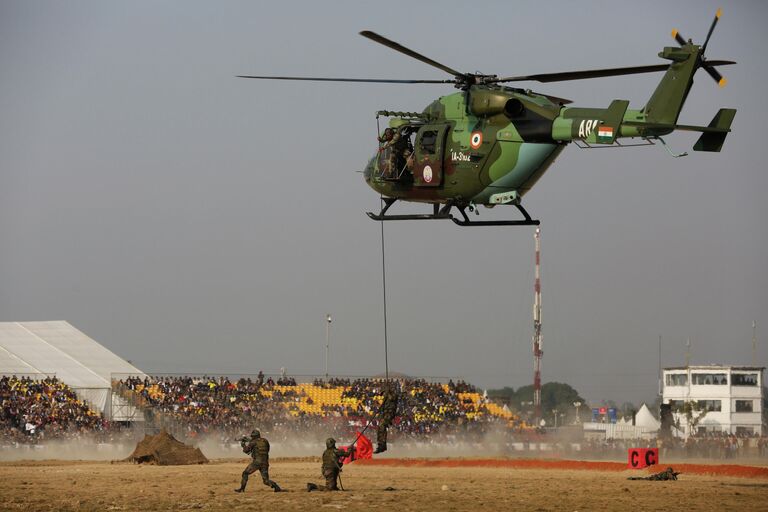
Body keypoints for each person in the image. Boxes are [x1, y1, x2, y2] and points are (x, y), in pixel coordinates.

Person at [375, 384, 399, 453]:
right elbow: (383, 405)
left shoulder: (393, 395)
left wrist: (388, 392)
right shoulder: (386, 397)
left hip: (389, 414)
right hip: (385, 414)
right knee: (380, 428)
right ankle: (381, 445)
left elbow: (392, 398)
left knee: (382, 426)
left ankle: (382, 445)